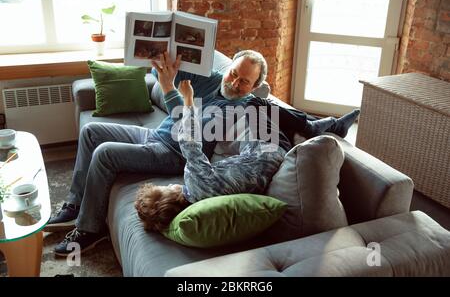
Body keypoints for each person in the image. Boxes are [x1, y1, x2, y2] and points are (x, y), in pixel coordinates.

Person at [44, 50, 359, 256]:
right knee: (91, 131)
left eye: (244, 81)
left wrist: (170, 92)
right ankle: (73, 202)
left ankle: (88, 229)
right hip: (157, 133)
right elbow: (165, 75)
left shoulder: (239, 108)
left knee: (106, 153)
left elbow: (188, 135)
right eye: (233, 72)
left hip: (174, 152)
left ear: (254, 87)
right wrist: (163, 64)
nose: (234, 82)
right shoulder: (212, 78)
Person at [135, 80, 286, 231]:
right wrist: (188, 98)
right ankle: (307, 123)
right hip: (269, 146)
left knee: (233, 128)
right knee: (255, 104)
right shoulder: (195, 183)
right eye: (165, 188)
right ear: (168, 198)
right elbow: (189, 140)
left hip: (269, 158)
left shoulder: (202, 203)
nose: (168, 184)